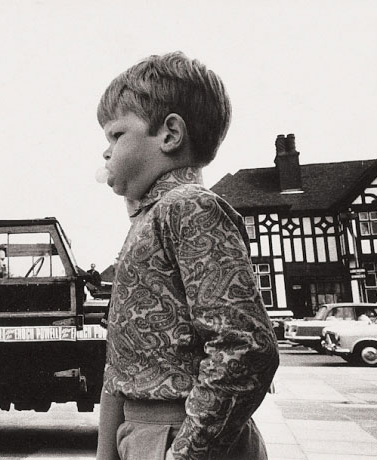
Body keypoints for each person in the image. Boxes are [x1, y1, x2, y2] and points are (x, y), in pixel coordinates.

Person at [95, 52, 279, 460]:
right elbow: (119, 363)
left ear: (170, 134)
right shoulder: (149, 219)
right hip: (142, 435)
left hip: (180, 435)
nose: (106, 153)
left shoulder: (189, 206)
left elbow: (246, 347)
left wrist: (186, 453)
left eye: (116, 135)